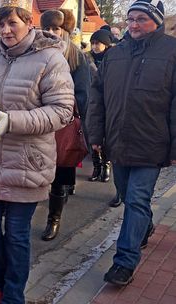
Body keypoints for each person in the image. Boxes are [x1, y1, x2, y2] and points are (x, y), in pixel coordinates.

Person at [0, 0, 74, 301]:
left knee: (16, 235)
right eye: (1, 24)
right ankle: (1, 281)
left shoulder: (50, 60)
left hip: (28, 161)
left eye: (12, 23)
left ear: (29, 22)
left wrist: (11, 121)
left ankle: (13, 295)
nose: (6, 30)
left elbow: (62, 111)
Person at [86, 0, 176, 286]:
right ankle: (144, 226)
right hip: (118, 142)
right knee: (129, 197)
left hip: (152, 142)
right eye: (130, 19)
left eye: (141, 19)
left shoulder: (171, 52)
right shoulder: (116, 54)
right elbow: (97, 97)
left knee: (136, 200)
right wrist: (96, 135)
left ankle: (124, 262)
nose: (134, 25)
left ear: (157, 22)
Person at [39, 9, 91, 241]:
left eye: (56, 29)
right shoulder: (35, 53)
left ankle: (54, 219)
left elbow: (83, 95)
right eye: (47, 29)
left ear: (65, 31)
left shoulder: (76, 57)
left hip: (64, 125)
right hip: (38, 122)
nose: (51, 33)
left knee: (61, 171)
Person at [85, 29, 123, 208]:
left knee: (107, 139)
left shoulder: (115, 59)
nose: (94, 46)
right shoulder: (87, 59)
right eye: (92, 43)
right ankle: (97, 167)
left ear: (106, 44)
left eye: (97, 43)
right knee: (93, 136)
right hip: (92, 104)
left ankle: (106, 165)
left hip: (111, 106)